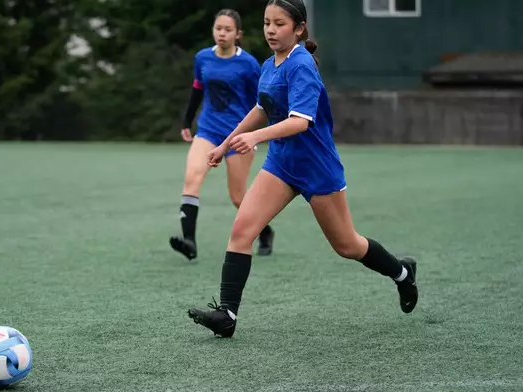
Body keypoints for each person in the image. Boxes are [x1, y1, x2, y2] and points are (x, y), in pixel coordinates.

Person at [187, 0, 418, 338]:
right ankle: (227, 315)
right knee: (241, 232)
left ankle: (402, 273)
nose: (270, 30)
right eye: (267, 23)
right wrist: (225, 142)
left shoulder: (302, 64)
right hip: (281, 164)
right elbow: (261, 108)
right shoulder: (269, 64)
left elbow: (299, 122)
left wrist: (254, 138)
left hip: (316, 168)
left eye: (279, 24)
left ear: (298, 28)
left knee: (348, 246)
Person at [170, 9, 275, 261]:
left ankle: (265, 232)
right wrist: (187, 121)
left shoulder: (249, 64)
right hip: (208, 129)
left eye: (228, 30)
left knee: (238, 197)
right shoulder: (202, 58)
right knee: (192, 178)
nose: (222, 33)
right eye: (218, 28)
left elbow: (261, 102)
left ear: (238, 34)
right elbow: (197, 91)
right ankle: (190, 242)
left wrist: (258, 134)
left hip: (239, 135)